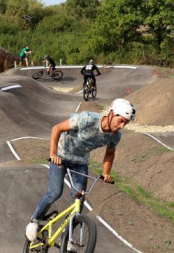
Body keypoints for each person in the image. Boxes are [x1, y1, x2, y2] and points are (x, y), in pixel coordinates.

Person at [25, 98, 136, 245]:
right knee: (55, 192)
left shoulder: (116, 136)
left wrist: (106, 173)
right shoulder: (87, 119)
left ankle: (67, 237)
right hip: (61, 157)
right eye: (121, 120)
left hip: (80, 163)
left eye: (125, 123)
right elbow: (56, 128)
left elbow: (110, 153)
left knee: (79, 199)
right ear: (111, 113)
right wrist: (53, 154)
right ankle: (35, 220)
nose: (122, 126)